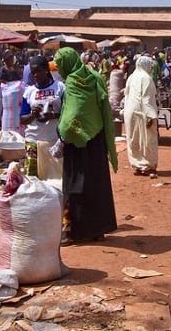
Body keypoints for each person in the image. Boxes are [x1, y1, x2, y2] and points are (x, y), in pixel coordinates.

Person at [54, 47, 118, 244]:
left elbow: (72, 115)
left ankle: (75, 231)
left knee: (75, 186)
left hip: (78, 141)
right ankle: (98, 229)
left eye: (59, 65)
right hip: (97, 138)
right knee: (97, 184)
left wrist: (62, 136)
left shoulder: (73, 81)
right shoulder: (94, 76)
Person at [20, 56, 65, 178]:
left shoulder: (60, 88)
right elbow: (22, 119)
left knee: (54, 176)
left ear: (46, 70)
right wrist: (33, 115)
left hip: (53, 140)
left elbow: (68, 114)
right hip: (33, 139)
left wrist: (53, 116)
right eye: (32, 72)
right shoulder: (29, 91)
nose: (35, 75)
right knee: (32, 176)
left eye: (38, 71)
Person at [124, 55, 159, 178]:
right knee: (147, 139)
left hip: (130, 112)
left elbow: (126, 95)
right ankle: (148, 166)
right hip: (143, 112)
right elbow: (147, 99)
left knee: (134, 138)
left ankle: (137, 165)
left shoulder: (131, 77)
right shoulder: (147, 78)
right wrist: (150, 116)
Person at [0, 67, 25, 134]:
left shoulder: (1, 88)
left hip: (6, 122)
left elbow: (0, 106)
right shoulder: (22, 86)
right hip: (19, 120)